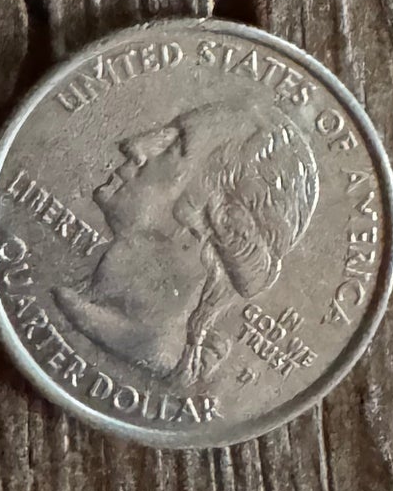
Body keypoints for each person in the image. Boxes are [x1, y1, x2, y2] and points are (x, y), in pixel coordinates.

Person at [55, 103, 319, 386]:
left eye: (174, 148)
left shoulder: (89, 318)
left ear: (223, 220)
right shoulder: (73, 299)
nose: (134, 146)